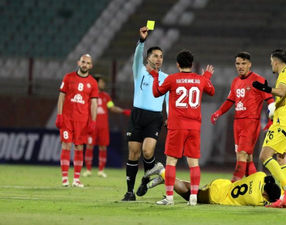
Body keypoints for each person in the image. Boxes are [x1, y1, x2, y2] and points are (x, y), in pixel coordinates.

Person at [148, 50, 215, 206]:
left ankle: (169, 198)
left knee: (171, 162)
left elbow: (156, 92)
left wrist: (156, 76)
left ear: (178, 64)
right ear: (191, 64)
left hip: (177, 126)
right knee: (194, 163)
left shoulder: (172, 79)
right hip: (194, 127)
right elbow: (211, 91)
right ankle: (193, 198)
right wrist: (206, 77)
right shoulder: (199, 79)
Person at [252, 49, 286, 208]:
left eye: (271, 62)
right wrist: (284, 113)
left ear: (275, 62)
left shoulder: (284, 75)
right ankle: (283, 199)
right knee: (282, 160)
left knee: (264, 156)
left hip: (283, 124)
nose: (271, 65)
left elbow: (281, 92)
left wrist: (264, 89)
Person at [211, 52, 275, 182]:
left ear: (250, 64)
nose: (240, 66)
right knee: (247, 158)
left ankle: (234, 185)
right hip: (237, 124)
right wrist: (218, 112)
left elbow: (271, 101)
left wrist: (271, 119)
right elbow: (230, 101)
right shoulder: (235, 81)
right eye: (238, 63)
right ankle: (255, 188)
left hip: (251, 123)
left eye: (243, 63)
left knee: (242, 155)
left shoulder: (258, 80)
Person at [122, 26, 169, 201]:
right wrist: (141, 41)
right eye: (155, 56)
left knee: (147, 152)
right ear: (148, 58)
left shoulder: (166, 78)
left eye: (161, 56)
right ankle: (129, 192)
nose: (159, 59)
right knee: (133, 153)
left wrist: (169, 117)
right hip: (137, 116)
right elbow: (136, 56)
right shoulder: (139, 70)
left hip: (154, 118)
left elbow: (168, 100)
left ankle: (145, 179)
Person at [144, 163, 281, 207]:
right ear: (265, 194)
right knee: (189, 195)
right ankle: (162, 172)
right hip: (217, 196)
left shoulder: (260, 176)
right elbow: (271, 203)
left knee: (194, 189)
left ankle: (167, 178)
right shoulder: (256, 199)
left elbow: (266, 177)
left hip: (222, 184)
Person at [55, 54, 99, 188]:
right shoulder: (68, 78)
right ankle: (64, 178)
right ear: (78, 62)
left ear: (91, 66)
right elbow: (61, 97)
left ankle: (76, 179)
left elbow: (93, 104)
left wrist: (93, 121)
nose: (85, 64)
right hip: (68, 118)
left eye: (87, 63)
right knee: (66, 145)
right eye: (83, 62)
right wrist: (60, 115)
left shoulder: (93, 83)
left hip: (82, 120)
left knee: (79, 147)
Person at [82, 75, 131, 178]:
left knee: (103, 147)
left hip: (103, 127)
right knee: (89, 146)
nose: (103, 84)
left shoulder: (106, 96)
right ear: (96, 83)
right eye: (101, 82)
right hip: (92, 125)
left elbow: (111, 108)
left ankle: (101, 170)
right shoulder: (88, 95)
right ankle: (88, 170)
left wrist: (123, 111)